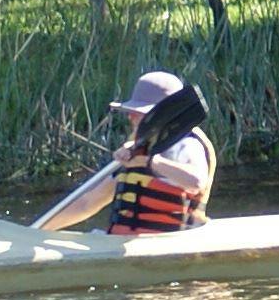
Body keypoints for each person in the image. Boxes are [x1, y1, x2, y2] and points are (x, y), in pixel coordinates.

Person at [36, 69, 217, 234]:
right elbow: (88, 203)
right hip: (127, 243)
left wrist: (149, 162)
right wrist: (37, 233)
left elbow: (196, 181)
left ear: (165, 115)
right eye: (131, 111)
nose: (131, 116)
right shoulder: (138, 148)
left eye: (139, 112)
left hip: (169, 244)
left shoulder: (186, 145)